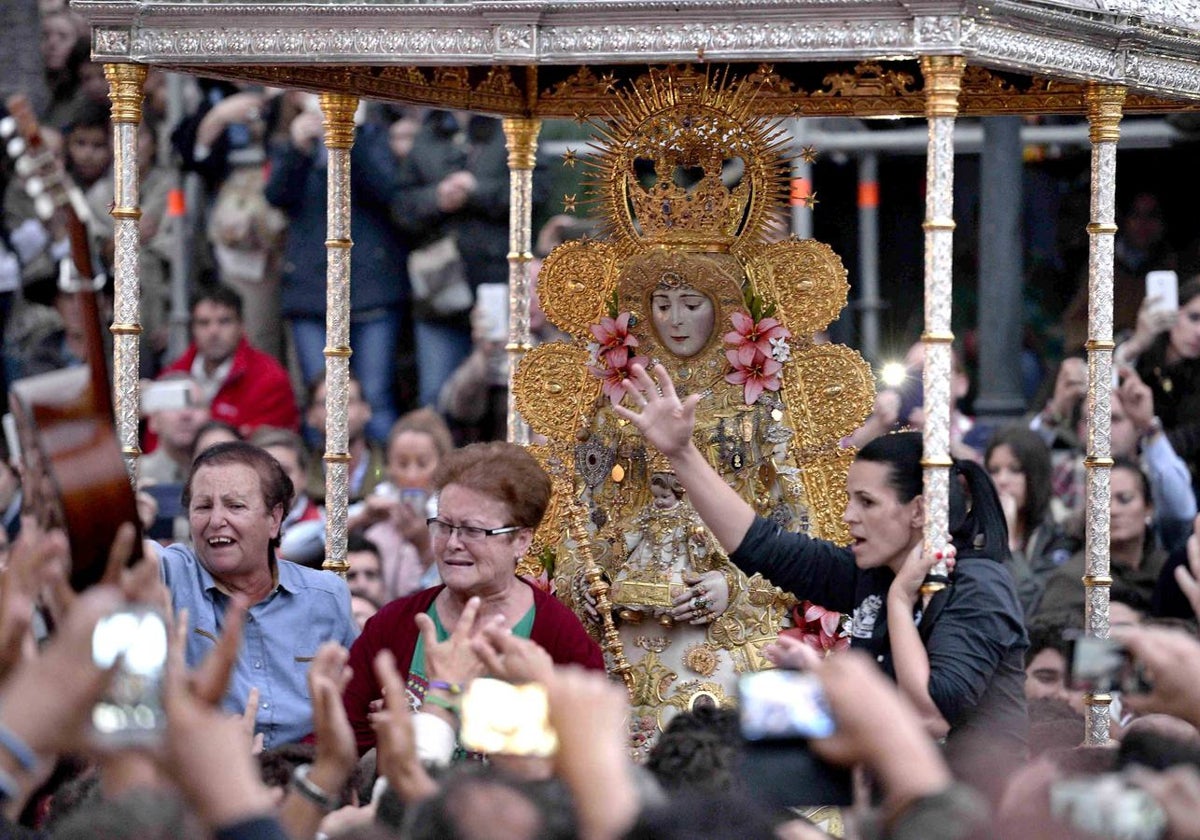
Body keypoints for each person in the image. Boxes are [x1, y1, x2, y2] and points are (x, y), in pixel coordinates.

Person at [613, 363, 1028, 759]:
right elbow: (764, 546)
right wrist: (681, 454)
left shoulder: (978, 584)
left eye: (866, 502)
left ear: (919, 511)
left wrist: (899, 605)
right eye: (850, 499)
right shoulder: (870, 571)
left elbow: (931, 715)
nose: (849, 516)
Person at [342, 441, 604, 753]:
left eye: (472, 530)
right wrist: (388, 736)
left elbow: (589, 748)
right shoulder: (394, 624)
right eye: (444, 526)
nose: (453, 543)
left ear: (520, 541)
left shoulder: (558, 633)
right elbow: (346, 737)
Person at [147, 441, 358, 748]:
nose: (216, 520)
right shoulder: (174, 574)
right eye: (203, 506)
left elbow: (358, 694)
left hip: (307, 768)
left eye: (235, 506)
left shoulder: (325, 595)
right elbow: (133, 560)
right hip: (205, 771)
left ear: (274, 519)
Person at [265, 94, 406, 444]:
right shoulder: (293, 139)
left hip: (371, 286)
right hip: (312, 292)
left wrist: (348, 133)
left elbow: (387, 189)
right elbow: (277, 196)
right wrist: (297, 147)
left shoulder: (373, 133)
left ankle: (379, 485)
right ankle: (323, 492)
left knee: (372, 398)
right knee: (322, 402)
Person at [1034, 458, 1167, 626]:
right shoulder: (1072, 579)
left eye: (1124, 499)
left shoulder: (1169, 570)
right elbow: (1045, 638)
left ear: (1149, 507)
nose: (1113, 511)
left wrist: (1141, 622)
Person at [159, 284, 299, 440]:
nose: (213, 331)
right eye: (204, 323)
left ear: (241, 326)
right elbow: (154, 443)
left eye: (224, 321)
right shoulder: (172, 375)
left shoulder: (270, 379)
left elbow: (272, 447)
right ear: (192, 328)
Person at [985, 425, 1078, 617]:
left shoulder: (1061, 532)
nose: (1001, 480)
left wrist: (1009, 545)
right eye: (994, 470)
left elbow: (1030, 604)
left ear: (1035, 475)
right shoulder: (977, 529)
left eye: (1014, 470)